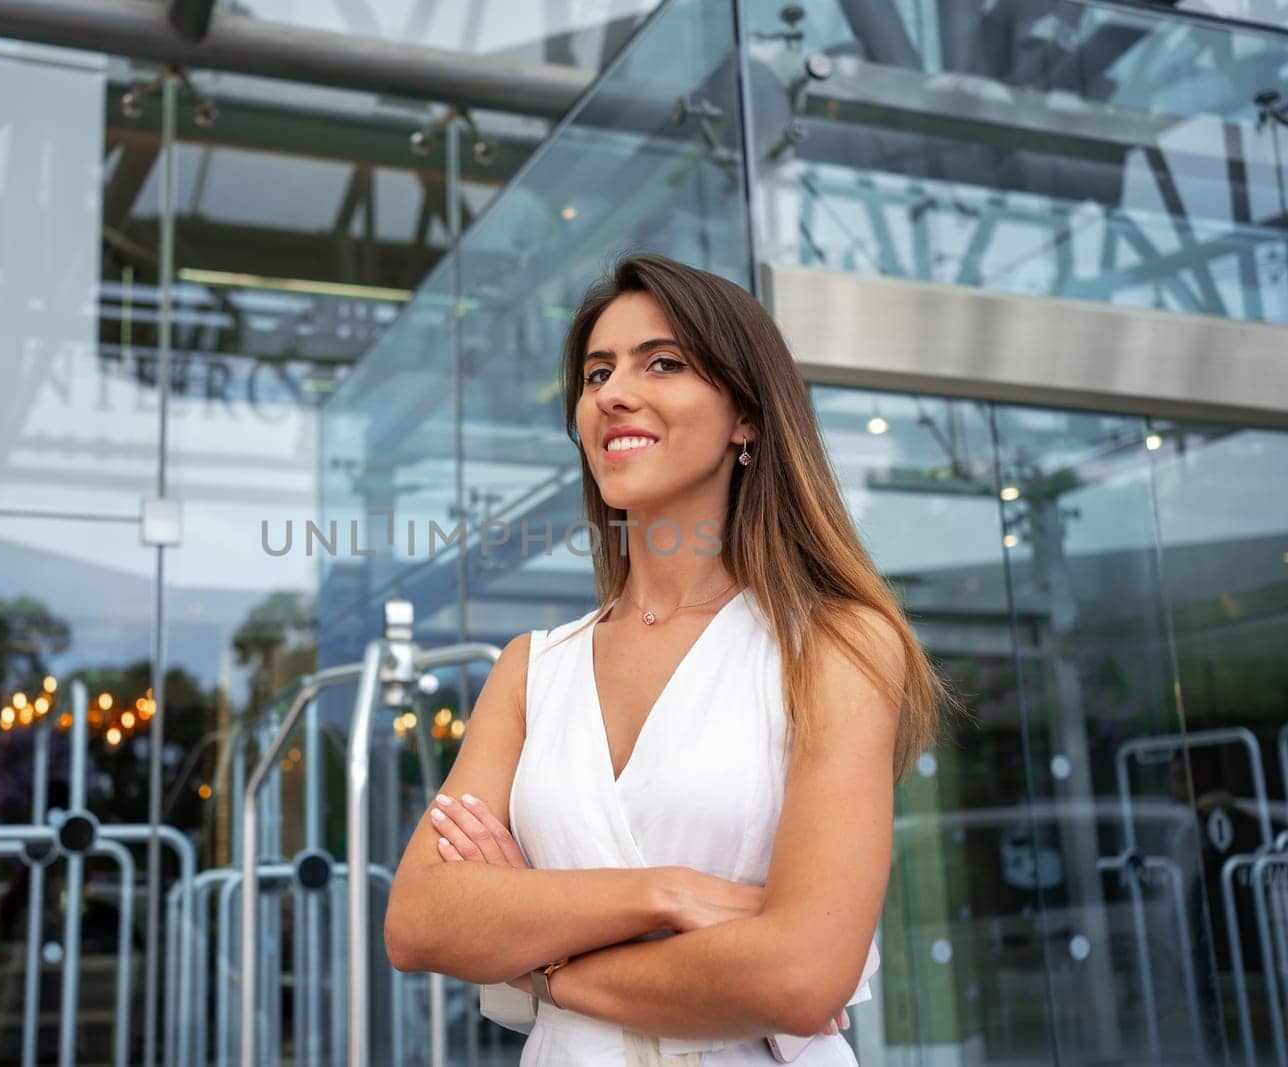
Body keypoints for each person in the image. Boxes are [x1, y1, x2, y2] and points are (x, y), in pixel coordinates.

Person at [384, 252, 952, 1064]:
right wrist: (668, 894)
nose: (612, 392)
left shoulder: (834, 644)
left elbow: (799, 975)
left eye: (664, 362)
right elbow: (418, 918)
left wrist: (538, 957)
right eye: (596, 372)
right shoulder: (532, 668)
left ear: (746, 417)